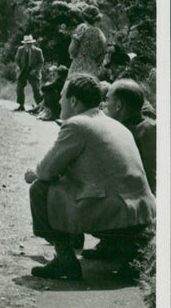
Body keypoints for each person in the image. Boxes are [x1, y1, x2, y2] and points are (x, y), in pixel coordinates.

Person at [24, 73, 155, 280]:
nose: (59, 100)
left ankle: (64, 259)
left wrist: (34, 172)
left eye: (62, 95)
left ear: (73, 101)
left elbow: (47, 170)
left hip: (113, 213)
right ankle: (130, 250)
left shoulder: (77, 124)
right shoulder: (114, 123)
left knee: (40, 188)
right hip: (141, 213)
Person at [14, 35, 44, 111]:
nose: (28, 45)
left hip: (33, 72)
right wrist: (17, 67)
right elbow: (17, 60)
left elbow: (41, 62)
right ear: (24, 44)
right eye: (27, 43)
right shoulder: (20, 50)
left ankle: (40, 106)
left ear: (32, 43)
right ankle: (21, 105)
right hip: (23, 71)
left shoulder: (38, 51)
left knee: (36, 89)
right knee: (19, 89)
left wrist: (35, 70)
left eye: (30, 43)